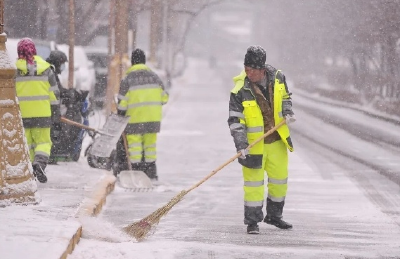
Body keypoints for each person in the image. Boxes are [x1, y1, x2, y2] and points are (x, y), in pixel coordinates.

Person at [227, 45, 296, 234]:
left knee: (279, 180)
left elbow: (285, 98)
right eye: (246, 69)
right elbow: (235, 121)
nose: (248, 73)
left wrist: (288, 112)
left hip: (276, 140)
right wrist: (241, 145)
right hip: (253, 145)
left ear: (262, 69)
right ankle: (252, 222)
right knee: (253, 185)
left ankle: (274, 216)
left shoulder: (278, 79)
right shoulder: (239, 90)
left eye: (252, 70)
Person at [116, 48, 169, 180]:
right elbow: (164, 98)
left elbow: (122, 104)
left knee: (135, 147)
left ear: (132, 62)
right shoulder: (155, 77)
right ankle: (151, 171)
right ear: (144, 61)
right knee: (150, 145)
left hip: (134, 120)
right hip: (153, 119)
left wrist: (120, 114)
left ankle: (136, 172)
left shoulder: (127, 80)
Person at [15, 38, 60, 183]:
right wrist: (55, 112)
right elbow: (54, 94)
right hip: (42, 114)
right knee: (43, 143)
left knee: (27, 144)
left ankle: (29, 171)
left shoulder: (14, 71)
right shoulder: (46, 69)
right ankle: (39, 164)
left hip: (22, 115)